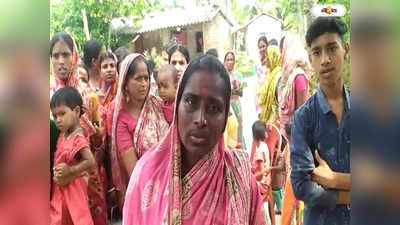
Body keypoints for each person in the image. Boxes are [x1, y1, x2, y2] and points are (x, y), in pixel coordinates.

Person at [122, 55, 268, 225]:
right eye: (191, 101)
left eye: (214, 108)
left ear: (225, 118)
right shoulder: (147, 173)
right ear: (177, 106)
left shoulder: (239, 178)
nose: (200, 119)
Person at [290, 17, 350, 225]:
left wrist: (334, 179)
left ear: (346, 50)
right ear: (310, 59)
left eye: (332, 48)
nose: (325, 59)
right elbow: (301, 186)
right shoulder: (304, 118)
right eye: (317, 52)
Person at [50, 32, 108, 225]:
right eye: (55, 55)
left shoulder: (88, 96)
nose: (61, 61)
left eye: (65, 54)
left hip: (88, 180)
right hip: (55, 182)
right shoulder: (44, 96)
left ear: (74, 56)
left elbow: (101, 140)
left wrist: (75, 172)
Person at [108, 53, 169, 210]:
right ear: (125, 83)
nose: (144, 84)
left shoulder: (158, 105)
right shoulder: (122, 121)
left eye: (146, 78)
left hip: (171, 182)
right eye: (138, 78)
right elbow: (135, 170)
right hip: (146, 193)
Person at [50, 87, 96, 225]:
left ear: (76, 111)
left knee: (78, 218)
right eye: (55, 116)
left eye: (62, 114)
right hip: (61, 188)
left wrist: (71, 171)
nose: (58, 120)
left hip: (74, 189)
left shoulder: (78, 138)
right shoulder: (63, 135)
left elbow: (90, 161)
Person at [278, 33, 311, 139]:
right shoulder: (288, 77)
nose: (281, 56)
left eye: (282, 51)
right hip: (287, 134)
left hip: (295, 137)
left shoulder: (299, 77)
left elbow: (303, 113)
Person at [250, 120, 274, 225]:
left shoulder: (259, 151)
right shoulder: (264, 146)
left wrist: (249, 178)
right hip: (266, 182)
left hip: (261, 184)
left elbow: (260, 175)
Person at [281, 118, 304, 225]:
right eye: (288, 139)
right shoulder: (288, 148)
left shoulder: (303, 148)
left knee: (300, 214)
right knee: (290, 215)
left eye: (291, 139)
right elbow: (284, 166)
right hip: (291, 187)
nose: (289, 142)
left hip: (300, 188)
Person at [223, 51, 245, 150]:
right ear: (224, 62)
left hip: (237, 105)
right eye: (228, 59)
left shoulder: (238, 75)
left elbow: (241, 93)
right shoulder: (222, 75)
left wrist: (236, 89)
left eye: (232, 59)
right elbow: (223, 92)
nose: (230, 62)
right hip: (227, 106)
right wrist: (232, 90)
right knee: (229, 129)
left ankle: (240, 150)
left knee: (239, 128)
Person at [255, 36, 269, 115]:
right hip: (260, 97)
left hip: (269, 95)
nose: (262, 49)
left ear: (267, 46)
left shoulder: (271, 60)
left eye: (264, 46)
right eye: (260, 47)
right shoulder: (258, 62)